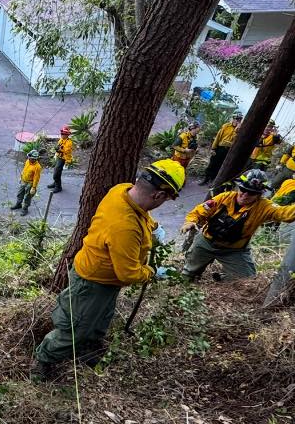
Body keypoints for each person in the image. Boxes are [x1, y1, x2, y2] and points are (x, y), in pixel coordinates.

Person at [31, 160, 183, 380]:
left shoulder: (121, 191)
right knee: (74, 330)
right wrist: (151, 272)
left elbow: (141, 214)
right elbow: (128, 274)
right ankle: (43, 359)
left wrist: (153, 227)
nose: (163, 203)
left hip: (106, 281)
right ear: (158, 195)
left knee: (100, 320)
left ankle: (87, 349)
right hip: (92, 282)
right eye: (166, 198)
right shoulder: (125, 226)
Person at [180, 169, 295, 282]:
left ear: (259, 194)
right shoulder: (224, 198)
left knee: (247, 280)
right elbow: (200, 211)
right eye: (243, 190)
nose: (245, 195)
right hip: (206, 242)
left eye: (251, 193)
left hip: (234, 250)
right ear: (238, 187)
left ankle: (221, 279)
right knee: (188, 275)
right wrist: (190, 222)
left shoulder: (264, 207)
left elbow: (283, 213)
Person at [201, 112, 242, 185]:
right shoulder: (226, 126)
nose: (238, 121)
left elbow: (236, 140)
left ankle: (213, 180)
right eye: (236, 119)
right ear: (233, 119)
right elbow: (218, 137)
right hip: (220, 148)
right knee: (212, 163)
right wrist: (213, 148)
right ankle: (206, 179)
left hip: (229, 150)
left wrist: (237, 131)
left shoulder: (240, 130)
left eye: (239, 120)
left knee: (220, 165)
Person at [11, 149, 42, 215]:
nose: (29, 158)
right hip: (24, 181)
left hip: (30, 183)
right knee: (20, 193)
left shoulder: (37, 167)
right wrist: (21, 177)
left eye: (30, 158)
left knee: (27, 197)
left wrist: (33, 187)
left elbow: (36, 178)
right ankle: (18, 204)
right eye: (29, 157)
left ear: (34, 159)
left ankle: (25, 209)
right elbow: (24, 169)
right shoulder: (28, 161)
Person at [48, 126, 74, 193]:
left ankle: (58, 187)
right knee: (57, 171)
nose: (62, 135)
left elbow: (66, 151)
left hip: (63, 159)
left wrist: (59, 150)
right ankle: (55, 183)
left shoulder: (69, 142)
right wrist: (57, 149)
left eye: (64, 134)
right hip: (59, 157)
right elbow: (59, 146)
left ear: (67, 135)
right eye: (62, 133)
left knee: (56, 173)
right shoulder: (61, 140)